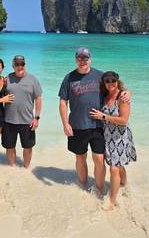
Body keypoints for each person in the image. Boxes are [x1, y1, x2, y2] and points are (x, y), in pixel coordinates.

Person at [58, 47, 131, 194]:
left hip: (98, 126)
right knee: (80, 157)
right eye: (79, 58)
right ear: (75, 60)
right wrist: (65, 123)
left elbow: (115, 89)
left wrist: (128, 93)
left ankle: (99, 189)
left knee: (99, 158)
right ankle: (83, 186)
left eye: (85, 58)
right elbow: (62, 102)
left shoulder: (100, 76)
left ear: (90, 59)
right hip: (77, 125)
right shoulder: (69, 78)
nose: (82, 61)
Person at [90, 71, 136, 209]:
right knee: (119, 165)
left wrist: (103, 116)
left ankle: (111, 201)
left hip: (120, 137)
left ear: (117, 81)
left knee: (114, 168)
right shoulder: (104, 96)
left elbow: (123, 120)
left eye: (113, 80)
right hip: (107, 136)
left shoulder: (122, 97)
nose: (110, 83)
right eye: (107, 81)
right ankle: (124, 185)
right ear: (104, 83)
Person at [2, 55, 42, 168]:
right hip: (9, 120)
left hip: (27, 121)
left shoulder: (33, 79)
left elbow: (38, 99)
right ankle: (12, 168)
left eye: (22, 64)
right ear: (13, 66)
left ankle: (26, 169)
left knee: (28, 147)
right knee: (9, 147)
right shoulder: (7, 79)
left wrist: (37, 118)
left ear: (25, 65)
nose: (20, 66)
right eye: (17, 64)